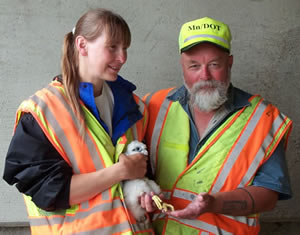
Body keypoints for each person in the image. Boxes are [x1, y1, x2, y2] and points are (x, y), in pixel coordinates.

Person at [3, 8, 154, 235]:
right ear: (82, 45)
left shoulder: (134, 105)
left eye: (125, 49)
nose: (122, 58)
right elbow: (51, 192)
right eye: (112, 47)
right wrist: (120, 171)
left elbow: (139, 175)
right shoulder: (41, 111)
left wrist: (144, 193)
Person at [141, 17, 293, 234]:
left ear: (229, 62)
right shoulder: (152, 106)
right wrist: (141, 191)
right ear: (182, 66)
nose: (205, 76)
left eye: (214, 64)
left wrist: (214, 204)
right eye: (194, 66)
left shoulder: (264, 118)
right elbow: (136, 171)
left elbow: (268, 196)